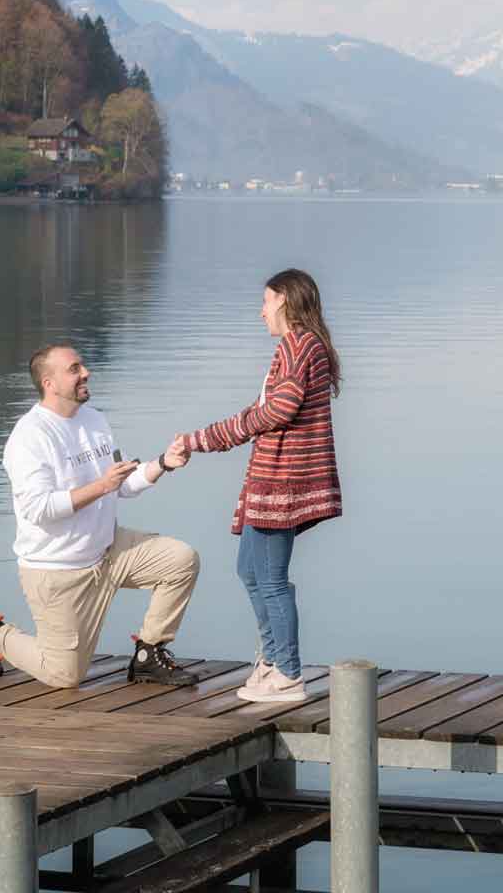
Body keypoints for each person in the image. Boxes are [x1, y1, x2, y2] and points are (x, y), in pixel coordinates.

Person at [0, 343, 200, 687]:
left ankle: (149, 654)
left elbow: (120, 485)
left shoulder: (94, 420)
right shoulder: (29, 437)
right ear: (49, 382)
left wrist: (162, 463)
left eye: (83, 366)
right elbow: (39, 510)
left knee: (181, 560)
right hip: (58, 572)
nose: (85, 373)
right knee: (63, 676)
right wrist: (102, 486)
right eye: (74, 369)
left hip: (108, 552)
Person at [171, 269, 342, 703]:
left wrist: (212, 437)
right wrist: (201, 439)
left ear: (284, 300)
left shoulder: (299, 345)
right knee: (251, 569)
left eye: (265, 301)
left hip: (282, 482)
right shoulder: (300, 347)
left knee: (270, 579)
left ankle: (287, 673)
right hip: (271, 479)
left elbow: (277, 411)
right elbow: (264, 409)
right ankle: (271, 659)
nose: (261, 311)